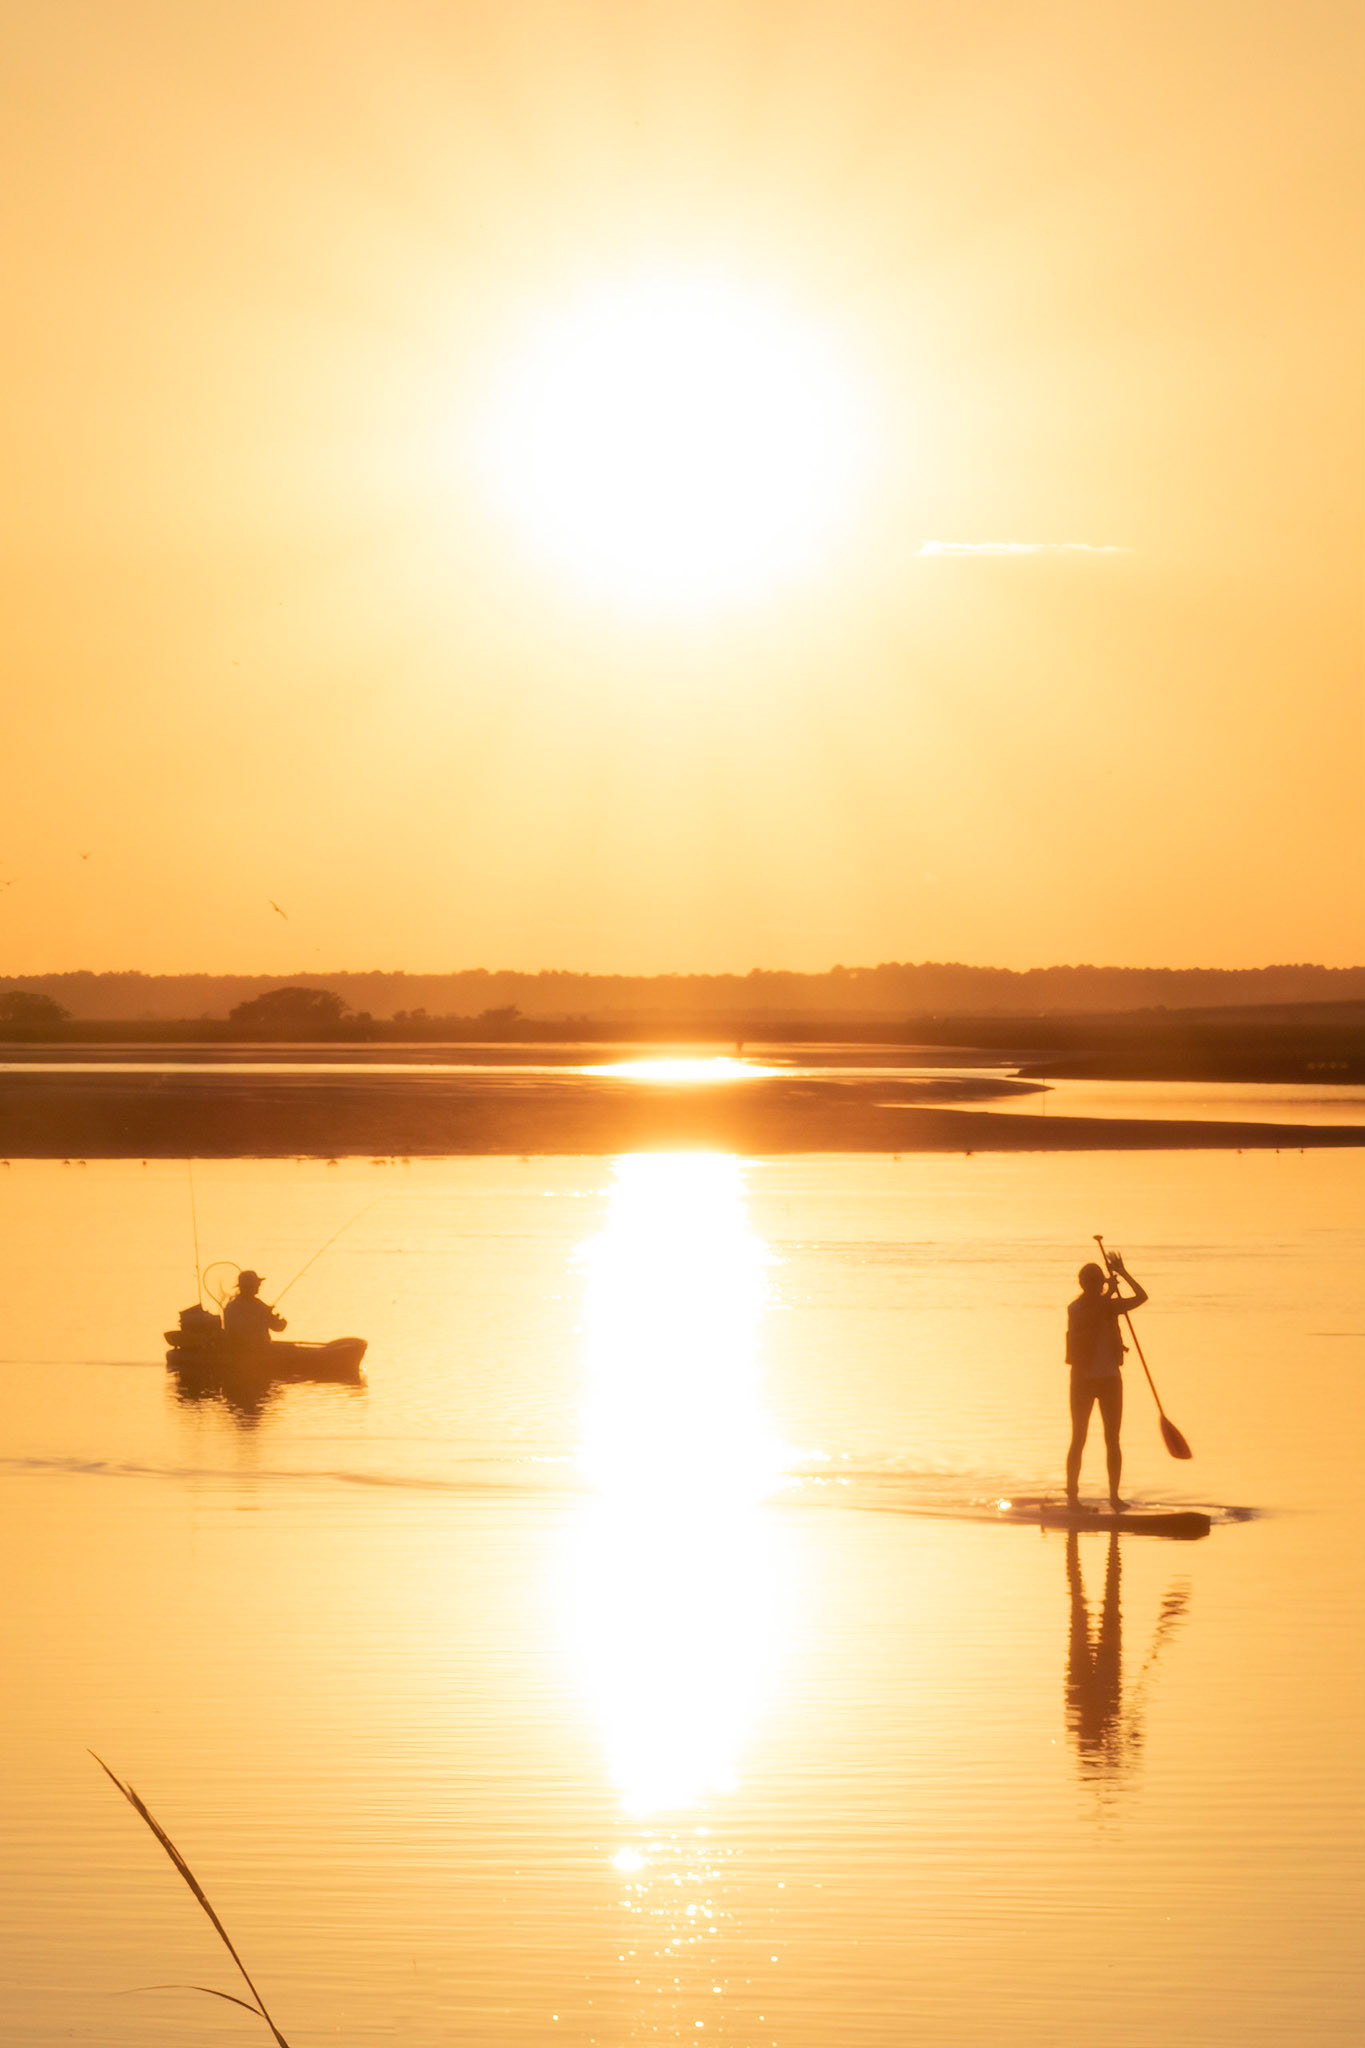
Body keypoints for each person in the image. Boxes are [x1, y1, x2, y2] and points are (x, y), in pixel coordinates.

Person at [1065, 1252, 1147, 1509]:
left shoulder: (1109, 1305)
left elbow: (1142, 1297)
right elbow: (1091, 1316)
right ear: (1084, 1284)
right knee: (1079, 1437)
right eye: (1091, 1282)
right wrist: (1108, 1293)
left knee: (1113, 1439)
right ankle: (1072, 1498)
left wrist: (1122, 1272)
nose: (1093, 1285)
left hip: (1110, 1380)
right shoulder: (1076, 1308)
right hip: (1083, 1381)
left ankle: (1114, 1497)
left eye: (1096, 1282)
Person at [223, 1270, 287, 1350]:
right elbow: (278, 1326)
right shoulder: (258, 1306)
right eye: (257, 1284)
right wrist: (281, 1320)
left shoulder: (230, 1306)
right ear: (250, 1286)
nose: (259, 1286)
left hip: (237, 1351)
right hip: (260, 1351)